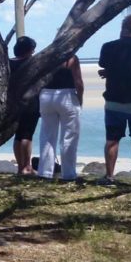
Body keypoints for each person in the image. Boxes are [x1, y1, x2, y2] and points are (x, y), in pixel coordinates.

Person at [98, 14, 131, 189]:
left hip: (114, 99)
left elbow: (107, 65)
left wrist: (110, 72)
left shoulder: (108, 47)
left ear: (122, 27)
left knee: (112, 139)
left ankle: (109, 176)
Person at [37, 52, 84, 182]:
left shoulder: (46, 56)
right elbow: (78, 82)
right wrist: (80, 100)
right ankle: (69, 174)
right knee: (69, 137)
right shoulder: (71, 58)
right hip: (66, 95)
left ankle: (45, 173)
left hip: (46, 94)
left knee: (47, 136)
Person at [9, 36, 40, 175]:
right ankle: (27, 166)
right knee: (27, 135)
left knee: (18, 135)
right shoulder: (31, 62)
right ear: (29, 50)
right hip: (30, 102)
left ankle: (21, 167)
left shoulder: (8, 63)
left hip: (13, 103)